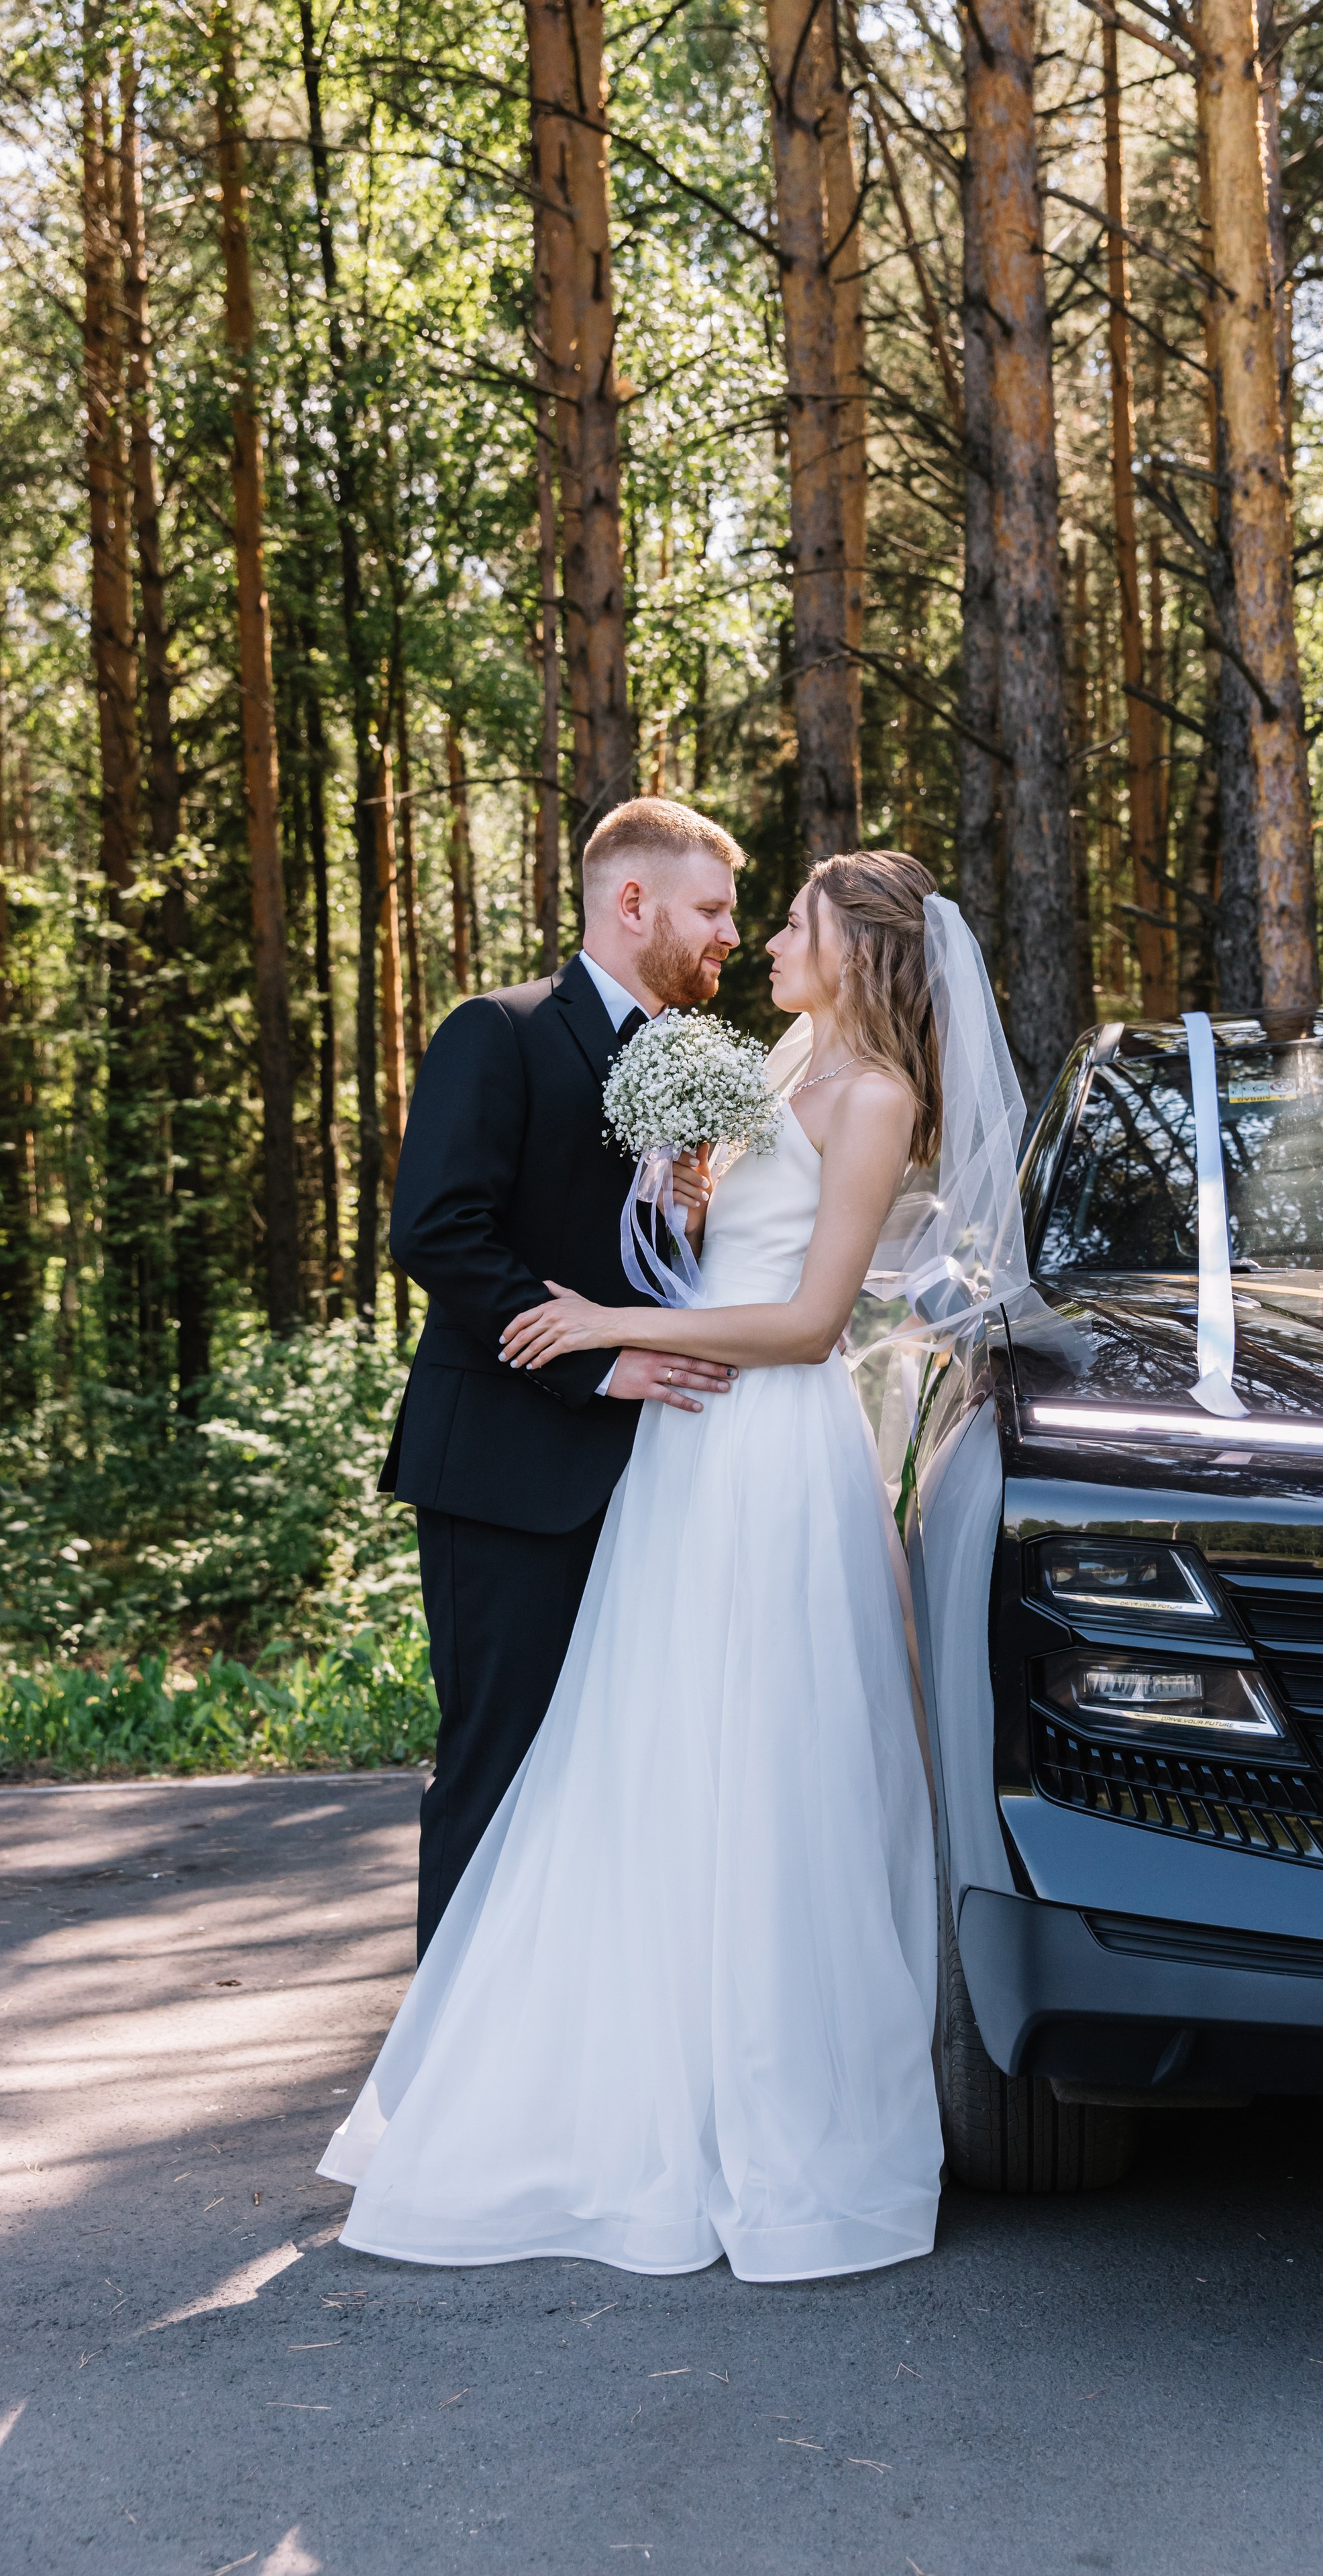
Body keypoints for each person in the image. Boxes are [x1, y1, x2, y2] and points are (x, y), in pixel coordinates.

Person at [321, 851, 1026, 2283]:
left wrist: (593, 1328)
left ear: (860, 953)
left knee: (769, 1773)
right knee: (638, 1763)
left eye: (789, 923)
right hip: (680, 1460)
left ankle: (771, 2113)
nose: (760, 937)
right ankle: (600, 2088)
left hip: (767, 1454)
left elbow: (815, 1319)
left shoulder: (874, 1097)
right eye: (743, 914)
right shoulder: (771, 1066)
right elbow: (702, 1254)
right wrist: (673, 1201)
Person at [381, 796, 746, 1959]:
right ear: (633, 903)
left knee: (619, 1773)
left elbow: (653, 1258)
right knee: (500, 1764)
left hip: (657, 1477)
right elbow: (439, 1230)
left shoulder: (690, 1064)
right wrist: (594, 1362)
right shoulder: (500, 1030)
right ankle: (443, 2081)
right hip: (511, 1471)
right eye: (713, 908)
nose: (731, 933)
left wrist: (696, 1218)